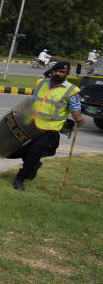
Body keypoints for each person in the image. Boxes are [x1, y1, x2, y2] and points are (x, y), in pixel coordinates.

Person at [12, 61, 84, 190]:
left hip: (50, 129)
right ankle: (33, 166)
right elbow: (32, 99)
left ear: (67, 73)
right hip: (32, 125)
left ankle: (20, 179)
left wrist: (78, 118)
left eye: (62, 72)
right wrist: (21, 110)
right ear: (52, 70)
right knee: (24, 151)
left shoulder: (71, 91)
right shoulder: (41, 83)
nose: (57, 73)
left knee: (34, 153)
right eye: (56, 70)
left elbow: (75, 108)